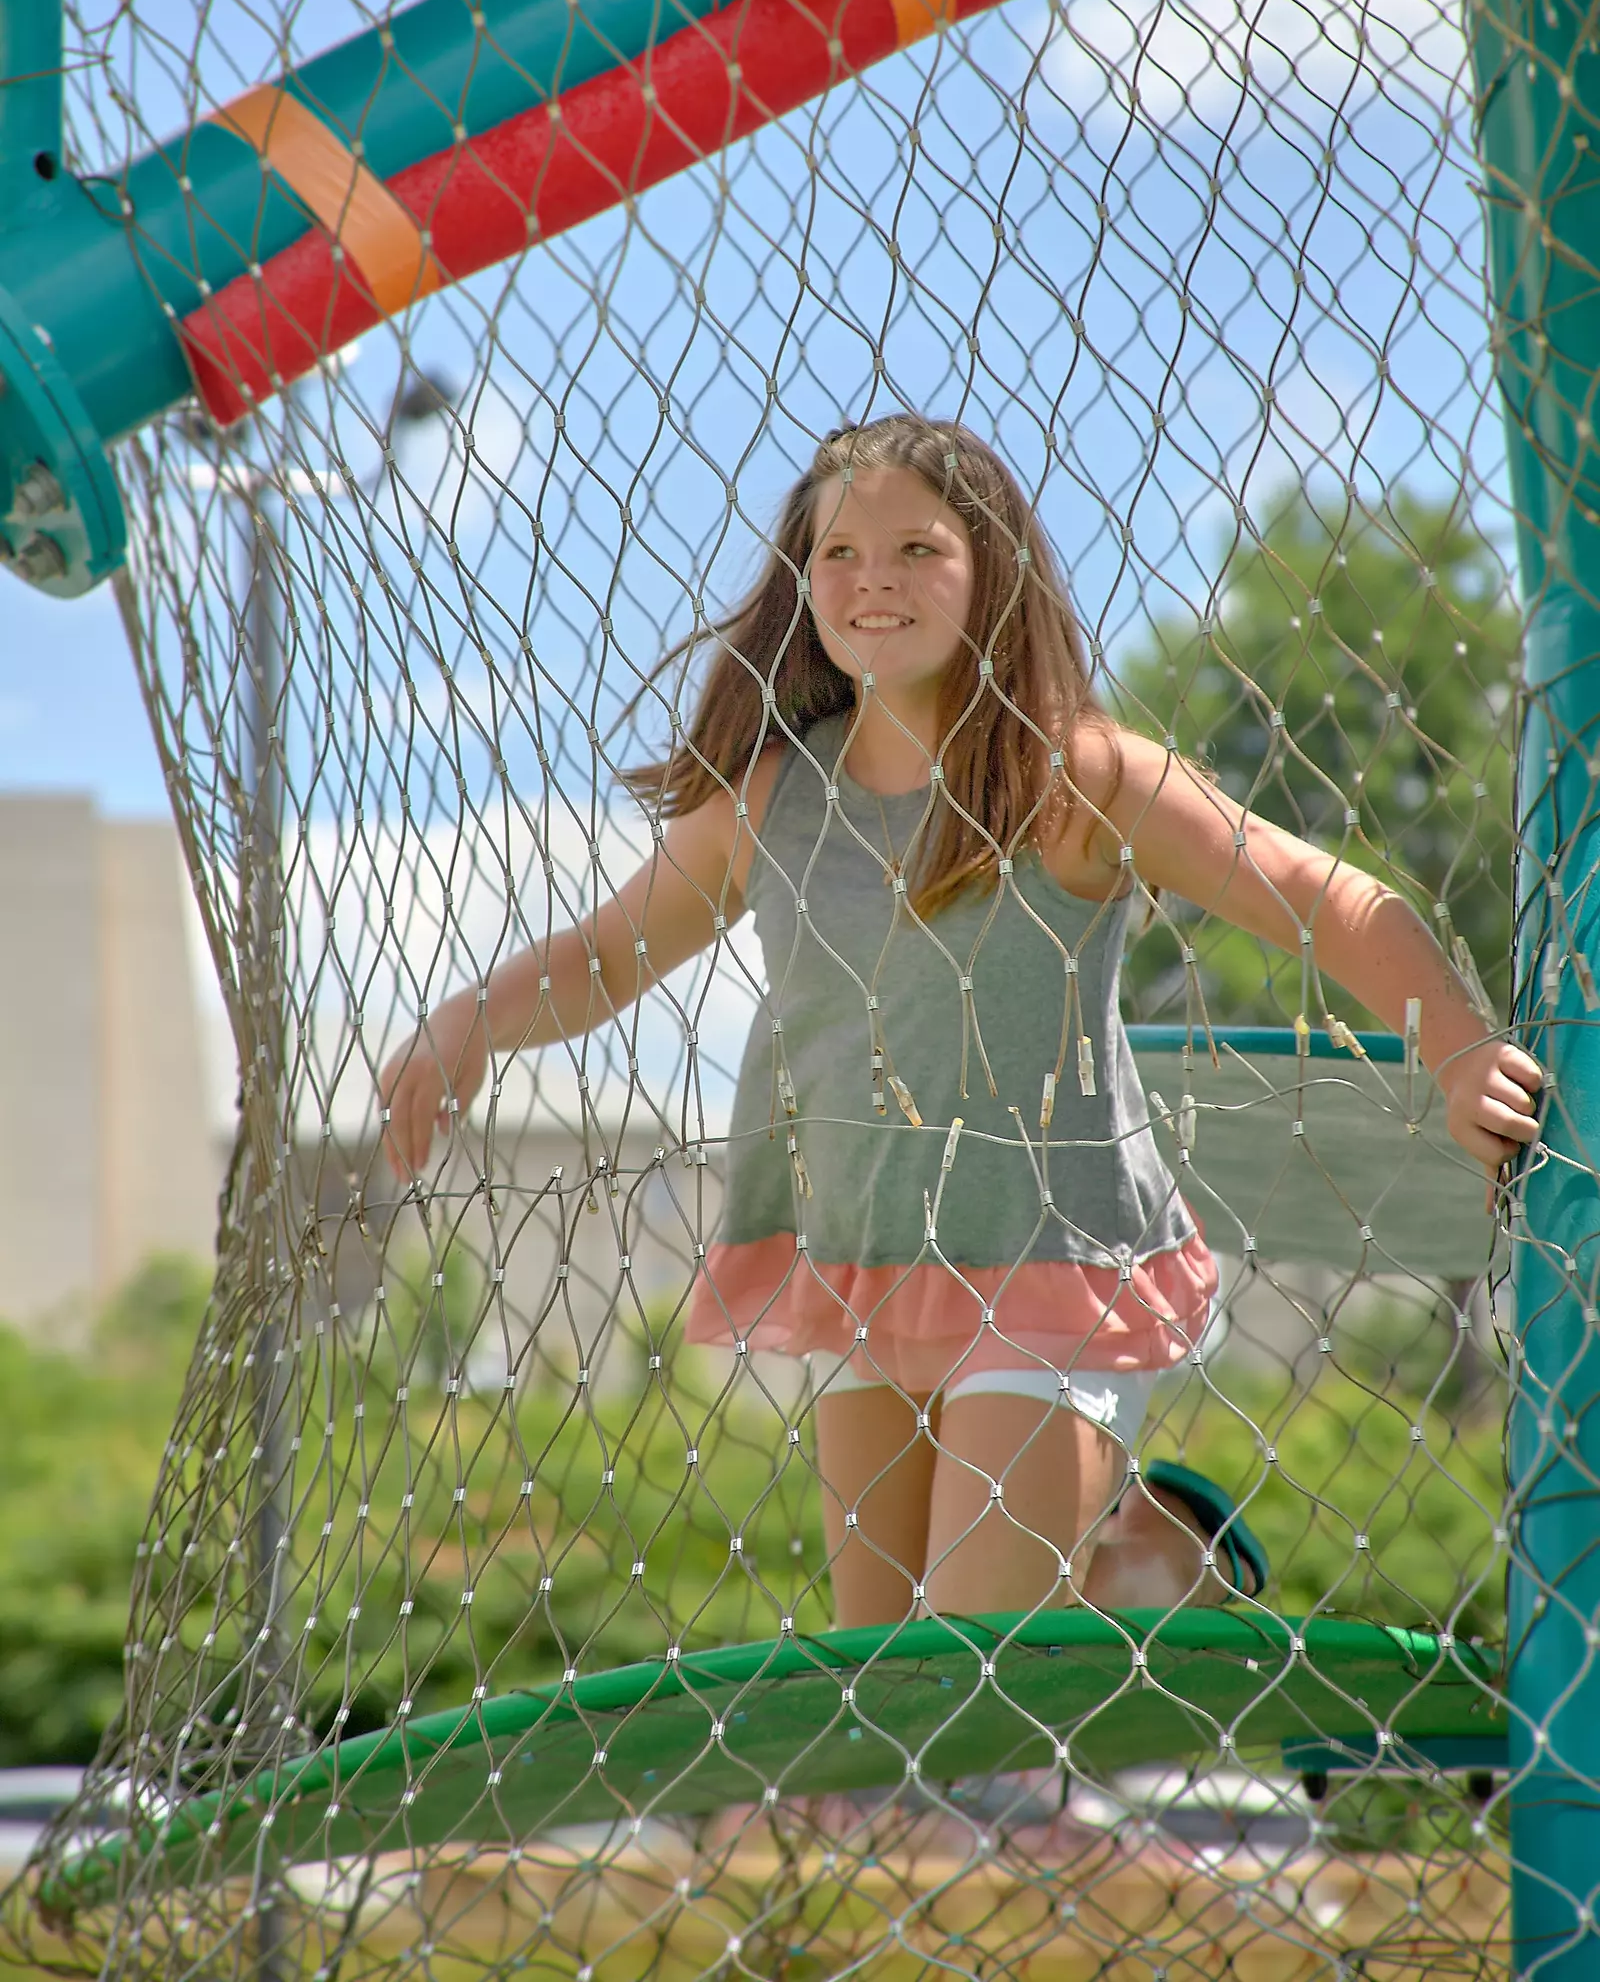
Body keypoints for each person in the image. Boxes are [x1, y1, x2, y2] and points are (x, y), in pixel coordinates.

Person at [379, 414, 1542, 1628]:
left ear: (993, 576)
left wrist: (1458, 1049)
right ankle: (1117, 1539)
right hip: (866, 1267)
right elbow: (610, 954)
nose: (872, 578)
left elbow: (1318, 895)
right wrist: (470, 1020)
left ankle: (1143, 1551)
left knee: (972, 1671)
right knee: (880, 1690)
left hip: (1048, 1262)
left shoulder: (1075, 778)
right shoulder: (773, 794)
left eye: (918, 550)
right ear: (801, 585)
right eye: (837, 553)